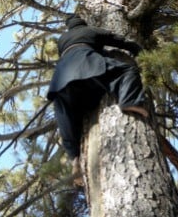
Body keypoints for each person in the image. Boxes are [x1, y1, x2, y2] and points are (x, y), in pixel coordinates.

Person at [47, 14, 150, 172]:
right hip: (87, 63)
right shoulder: (89, 30)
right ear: (83, 23)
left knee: (66, 116)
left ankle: (74, 157)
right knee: (127, 70)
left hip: (61, 79)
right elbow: (116, 39)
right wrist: (136, 49)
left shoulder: (62, 40)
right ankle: (130, 101)